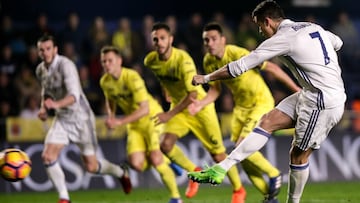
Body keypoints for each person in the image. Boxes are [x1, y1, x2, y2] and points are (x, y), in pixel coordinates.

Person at [188, 1, 346, 203]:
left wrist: (206, 78)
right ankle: (221, 169)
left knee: (298, 156)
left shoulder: (282, 38)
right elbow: (338, 42)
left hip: (323, 102)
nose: (260, 31)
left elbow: (239, 67)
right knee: (268, 121)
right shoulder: (311, 27)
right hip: (311, 93)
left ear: (267, 21)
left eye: (259, 26)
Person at [188, 22, 301, 202]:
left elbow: (272, 68)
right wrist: (200, 104)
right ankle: (269, 196)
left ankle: (273, 174)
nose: (209, 43)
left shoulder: (236, 53)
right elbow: (216, 90)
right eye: (206, 40)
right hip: (240, 108)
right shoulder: (208, 61)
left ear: (223, 40)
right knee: (241, 154)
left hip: (259, 102)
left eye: (213, 39)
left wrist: (295, 88)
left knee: (242, 145)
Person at [143, 22, 246, 203]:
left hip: (199, 107)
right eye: (155, 39)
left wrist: (168, 114)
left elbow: (192, 94)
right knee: (165, 145)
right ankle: (195, 171)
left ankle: (238, 189)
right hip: (179, 108)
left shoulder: (183, 60)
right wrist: (166, 89)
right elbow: (162, 76)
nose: (158, 42)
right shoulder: (150, 61)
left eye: (162, 38)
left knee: (218, 154)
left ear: (171, 40)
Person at [35, 35, 132, 203]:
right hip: (62, 119)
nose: (45, 53)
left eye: (48, 48)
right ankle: (64, 198)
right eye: (42, 50)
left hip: (81, 119)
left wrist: (55, 104)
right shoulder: (40, 70)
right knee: (47, 156)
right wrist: (43, 108)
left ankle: (120, 172)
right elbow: (47, 92)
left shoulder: (66, 66)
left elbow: (74, 97)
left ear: (55, 49)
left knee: (91, 167)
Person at [99, 45, 183, 203]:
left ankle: (176, 198)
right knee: (137, 164)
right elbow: (110, 99)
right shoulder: (105, 82)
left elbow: (144, 109)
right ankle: (167, 162)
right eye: (103, 61)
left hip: (152, 118)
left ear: (119, 61)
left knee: (155, 158)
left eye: (110, 60)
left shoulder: (132, 77)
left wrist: (120, 121)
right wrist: (111, 116)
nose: (106, 64)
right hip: (134, 124)